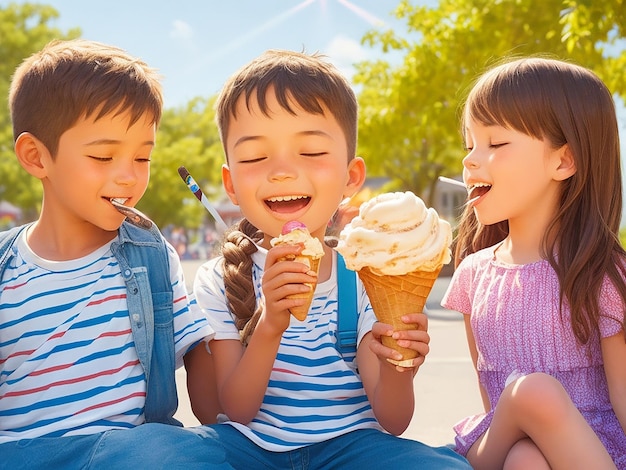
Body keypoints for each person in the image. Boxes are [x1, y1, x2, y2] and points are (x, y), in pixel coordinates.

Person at [187, 49, 471, 469]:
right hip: (251, 452)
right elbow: (236, 409)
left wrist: (399, 363)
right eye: (254, 157)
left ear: (351, 178)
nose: (282, 171)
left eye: (311, 152)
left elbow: (393, 420)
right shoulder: (220, 279)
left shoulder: (364, 275)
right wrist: (269, 326)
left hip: (351, 449)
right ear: (230, 183)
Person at [0, 39, 229, 468]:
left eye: (142, 157)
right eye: (103, 156)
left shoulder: (152, 256)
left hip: (133, 453)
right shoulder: (5, 270)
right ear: (36, 156)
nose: (128, 177)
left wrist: (252, 304)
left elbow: (211, 405)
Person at [441, 57, 626, 469]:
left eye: (495, 144)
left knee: (529, 436)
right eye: (469, 145)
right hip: (497, 448)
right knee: (525, 427)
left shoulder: (602, 276)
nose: (470, 160)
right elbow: (492, 407)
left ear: (563, 161)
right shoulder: (473, 276)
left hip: (590, 454)